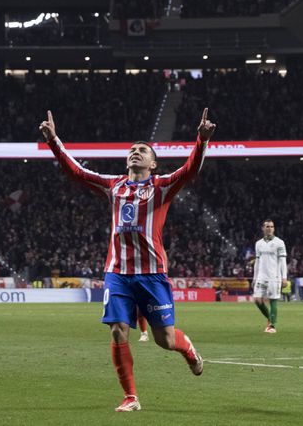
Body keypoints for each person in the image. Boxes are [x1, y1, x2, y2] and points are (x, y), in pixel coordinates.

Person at [40, 108, 215, 412]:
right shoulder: (113, 186)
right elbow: (77, 172)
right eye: (132, 150)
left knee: (165, 339)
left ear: (153, 163)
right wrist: (54, 141)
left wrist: (202, 140)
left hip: (152, 274)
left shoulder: (162, 187)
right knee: (118, 330)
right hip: (117, 273)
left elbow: (189, 171)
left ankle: (188, 351)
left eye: (142, 151)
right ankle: (131, 397)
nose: (136, 152)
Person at [252, 219, 288, 333]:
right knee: (257, 300)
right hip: (261, 276)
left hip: (274, 277)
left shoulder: (279, 243)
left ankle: (272, 326)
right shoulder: (258, 244)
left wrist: (284, 277)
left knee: (273, 300)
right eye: (267, 226)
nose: (270, 229)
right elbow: (257, 262)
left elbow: (283, 261)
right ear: (263, 228)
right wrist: (254, 277)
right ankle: (269, 318)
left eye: (272, 227)